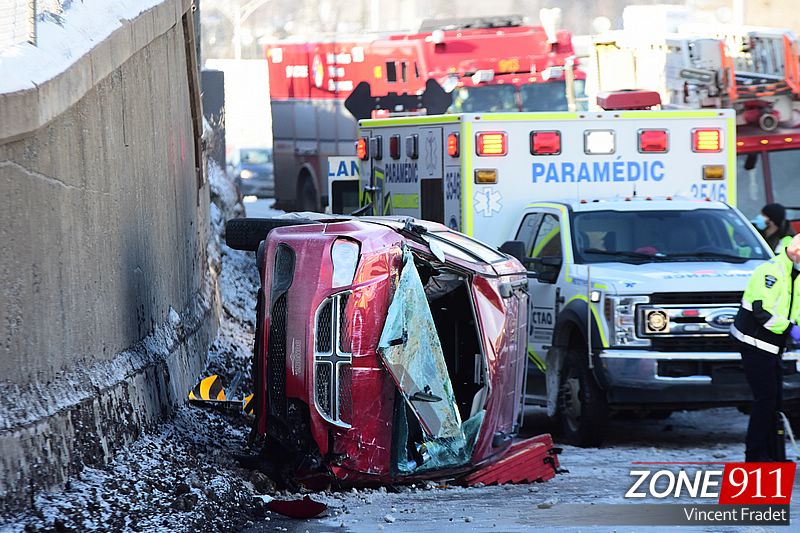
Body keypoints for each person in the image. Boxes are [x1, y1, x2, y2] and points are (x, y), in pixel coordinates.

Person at [730, 242, 800, 461]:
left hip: (773, 346)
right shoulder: (770, 271)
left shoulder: (794, 274)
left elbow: (794, 308)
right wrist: (791, 330)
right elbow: (762, 311)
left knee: (776, 401)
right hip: (754, 342)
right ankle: (755, 456)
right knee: (765, 400)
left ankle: (774, 454)